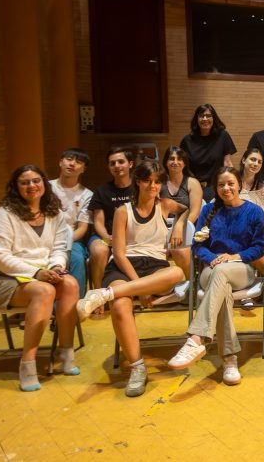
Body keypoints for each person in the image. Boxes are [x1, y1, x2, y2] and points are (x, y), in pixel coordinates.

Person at [76, 160, 188, 397]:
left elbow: (187, 209)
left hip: (155, 266)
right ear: (137, 182)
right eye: (147, 181)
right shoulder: (122, 211)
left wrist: (178, 226)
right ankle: (137, 368)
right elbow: (118, 253)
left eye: (157, 181)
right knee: (120, 305)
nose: (153, 186)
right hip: (124, 266)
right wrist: (139, 288)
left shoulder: (165, 205)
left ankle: (103, 295)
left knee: (177, 272)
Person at [0, 165, 80, 391]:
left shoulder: (55, 213)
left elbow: (60, 247)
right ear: (16, 188)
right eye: (24, 183)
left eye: (36, 181)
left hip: (40, 274)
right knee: (44, 292)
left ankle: (66, 352)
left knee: (71, 284)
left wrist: (56, 266)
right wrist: (36, 273)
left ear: (44, 183)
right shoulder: (5, 214)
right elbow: (0, 256)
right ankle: (28, 363)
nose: (31, 186)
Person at [167, 167, 264, 385]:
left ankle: (198, 339)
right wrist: (212, 258)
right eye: (221, 185)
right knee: (221, 284)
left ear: (239, 184)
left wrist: (234, 257)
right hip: (211, 269)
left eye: (230, 183)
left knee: (222, 277)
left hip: (242, 269)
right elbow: (197, 246)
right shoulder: (210, 211)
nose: (226, 188)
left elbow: (259, 248)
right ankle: (229, 359)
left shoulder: (254, 212)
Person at [88, 147, 135, 312]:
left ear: (130, 164)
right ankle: (98, 297)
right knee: (100, 251)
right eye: (112, 163)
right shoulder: (102, 191)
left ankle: (135, 292)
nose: (117, 165)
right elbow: (98, 221)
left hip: (131, 237)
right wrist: (108, 237)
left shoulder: (139, 188)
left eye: (121, 161)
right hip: (105, 236)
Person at [49, 148, 92, 297]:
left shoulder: (87, 195)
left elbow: (82, 227)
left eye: (78, 162)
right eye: (68, 159)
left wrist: (63, 241)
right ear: (61, 162)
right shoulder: (46, 188)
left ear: (83, 169)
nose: (72, 164)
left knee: (77, 259)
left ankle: (75, 306)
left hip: (71, 239)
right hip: (44, 238)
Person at [160, 146, 203, 280]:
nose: (175, 162)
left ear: (184, 163)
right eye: (171, 158)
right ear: (166, 162)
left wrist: (179, 227)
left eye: (179, 159)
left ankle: (192, 285)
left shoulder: (192, 182)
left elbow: (195, 211)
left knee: (178, 250)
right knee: (157, 252)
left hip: (187, 227)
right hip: (163, 227)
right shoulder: (159, 182)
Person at [179, 104, 237, 200]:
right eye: (201, 116)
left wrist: (234, 183)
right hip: (193, 187)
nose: (205, 119)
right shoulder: (187, 140)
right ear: (196, 119)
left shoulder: (223, 136)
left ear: (214, 118)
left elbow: (227, 162)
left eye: (209, 116)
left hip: (216, 187)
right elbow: (182, 168)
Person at [239, 147, 264, 219]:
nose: (256, 164)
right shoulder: (232, 184)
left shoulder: (263, 189)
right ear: (244, 160)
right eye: (253, 159)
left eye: (259, 162)